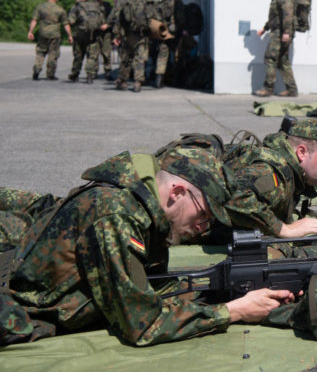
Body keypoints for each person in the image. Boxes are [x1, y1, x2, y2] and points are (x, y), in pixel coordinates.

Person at [0, 147, 297, 346]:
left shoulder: (144, 205)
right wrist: (234, 311)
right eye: (203, 214)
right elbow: (142, 325)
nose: (203, 226)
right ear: (177, 192)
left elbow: (151, 286)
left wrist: (227, 289)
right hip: (22, 314)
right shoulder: (116, 215)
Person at [223, 119, 317, 238]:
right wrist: (284, 229)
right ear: (302, 152)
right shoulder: (273, 173)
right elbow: (234, 192)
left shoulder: (291, 169)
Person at [254, 0, 298, 98]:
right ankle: (292, 89)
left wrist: (286, 32)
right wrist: (265, 28)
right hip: (279, 31)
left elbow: (287, 15)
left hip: (280, 32)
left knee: (270, 58)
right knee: (283, 61)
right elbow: (275, 17)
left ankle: (268, 88)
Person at [111, 0, 149, 92]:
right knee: (140, 59)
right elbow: (151, 15)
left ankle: (123, 82)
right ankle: (138, 82)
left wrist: (116, 35)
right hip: (141, 34)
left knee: (126, 58)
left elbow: (118, 17)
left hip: (127, 34)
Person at [27, 0, 73, 81]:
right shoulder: (60, 9)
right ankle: (50, 74)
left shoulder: (40, 7)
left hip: (43, 33)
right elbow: (66, 24)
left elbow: (34, 20)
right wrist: (70, 35)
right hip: (55, 34)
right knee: (53, 53)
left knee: (40, 52)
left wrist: (30, 31)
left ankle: (37, 68)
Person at [67, 0, 105, 84]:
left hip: (80, 35)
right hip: (94, 35)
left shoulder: (76, 7)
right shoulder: (96, 6)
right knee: (92, 56)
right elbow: (102, 21)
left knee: (78, 55)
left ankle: (75, 74)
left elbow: (71, 21)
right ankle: (89, 76)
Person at [94, 0, 114, 81]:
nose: (98, 0)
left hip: (106, 33)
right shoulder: (91, 7)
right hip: (95, 32)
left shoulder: (107, 6)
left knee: (106, 53)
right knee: (94, 54)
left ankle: (108, 71)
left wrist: (108, 25)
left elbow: (113, 18)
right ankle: (93, 72)